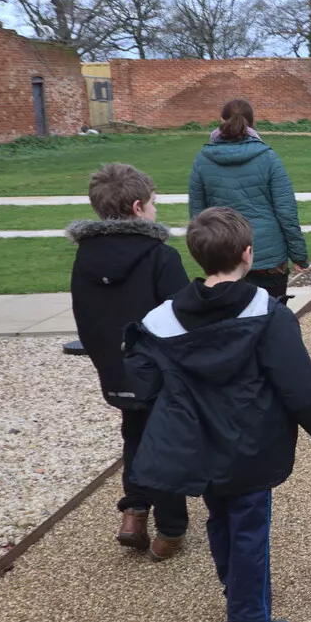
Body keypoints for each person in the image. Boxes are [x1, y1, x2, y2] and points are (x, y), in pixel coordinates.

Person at [124, 207, 311, 622]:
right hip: (251, 442)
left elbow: (142, 381)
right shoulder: (269, 316)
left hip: (197, 442)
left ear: (197, 257)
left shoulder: (163, 321)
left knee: (221, 516)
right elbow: (299, 387)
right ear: (247, 254)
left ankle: (236, 591)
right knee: (248, 526)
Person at [65, 163, 191, 559]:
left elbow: (84, 314)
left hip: (115, 366)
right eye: (153, 204)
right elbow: (181, 314)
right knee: (165, 444)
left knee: (134, 434)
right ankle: (170, 529)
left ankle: (135, 512)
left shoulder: (85, 258)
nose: (156, 210)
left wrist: (105, 357)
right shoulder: (160, 257)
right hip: (159, 368)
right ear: (138, 207)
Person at [188, 98, 307, 300]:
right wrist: (298, 256)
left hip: (224, 255)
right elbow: (286, 212)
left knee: (231, 325)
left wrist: (205, 257)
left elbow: (197, 218)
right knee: (271, 322)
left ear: (221, 120)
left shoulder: (203, 160)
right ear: (252, 123)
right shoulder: (268, 158)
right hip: (268, 257)